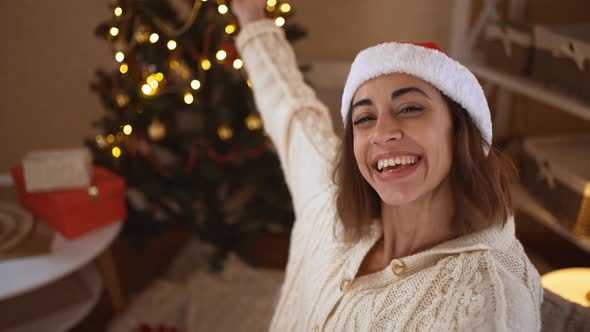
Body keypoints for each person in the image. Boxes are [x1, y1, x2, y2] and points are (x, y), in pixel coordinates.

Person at [231, 1, 543, 331]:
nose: (382, 133)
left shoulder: (487, 305)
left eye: (410, 108)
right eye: (364, 118)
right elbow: (291, 107)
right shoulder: (327, 208)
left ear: (459, 131)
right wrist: (251, 16)